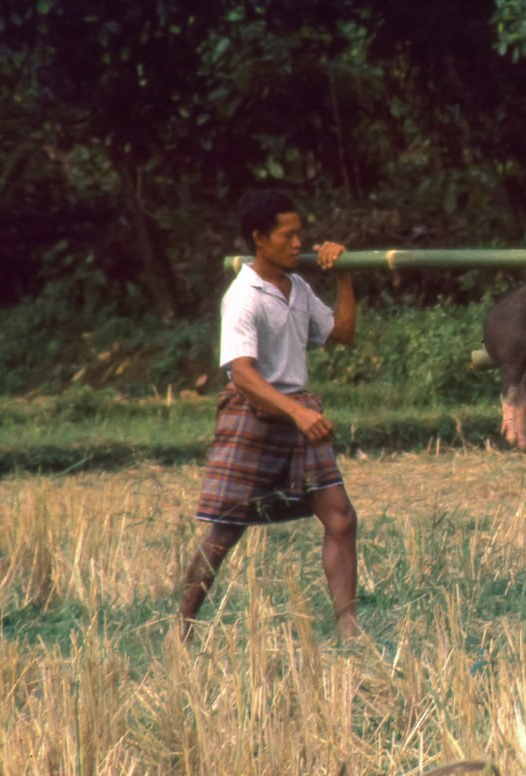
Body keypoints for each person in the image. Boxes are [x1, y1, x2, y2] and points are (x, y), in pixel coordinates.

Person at [178, 190, 361, 641]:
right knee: (225, 531)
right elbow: (242, 373)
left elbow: (343, 332)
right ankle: (181, 627)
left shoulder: (298, 288)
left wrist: (345, 276)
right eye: (288, 235)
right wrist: (295, 412)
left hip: (300, 412)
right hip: (256, 412)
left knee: (341, 518)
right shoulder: (243, 296)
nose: (299, 243)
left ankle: (349, 625)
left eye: (301, 233)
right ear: (260, 238)